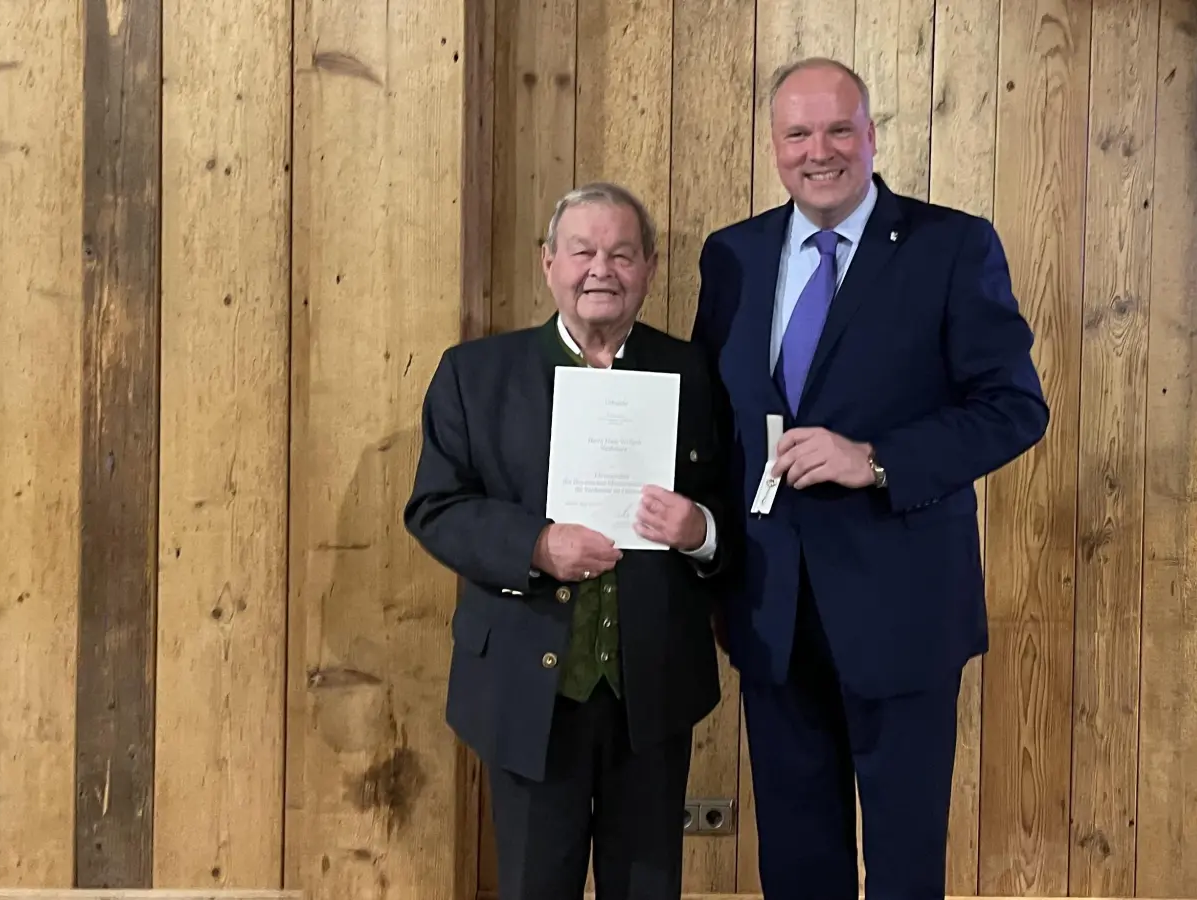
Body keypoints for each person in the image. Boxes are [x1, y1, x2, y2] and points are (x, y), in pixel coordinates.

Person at [688, 57, 1049, 899]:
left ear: (872, 135)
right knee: (796, 856)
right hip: (771, 608)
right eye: (798, 133)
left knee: (903, 860)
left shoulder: (952, 246)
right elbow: (714, 423)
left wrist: (876, 460)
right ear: (774, 146)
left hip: (904, 608)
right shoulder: (732, 255)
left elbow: (1013, 408)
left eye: (838, 129)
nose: (820, 150)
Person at [404, 182, 732, 900]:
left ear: (648, 267)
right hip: (524, 691)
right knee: (533, 886)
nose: (600, 270)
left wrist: (699, 531)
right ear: (548, 262)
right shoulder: (475, 374)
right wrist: (537, 546)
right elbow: (436, 508)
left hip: (654, 692)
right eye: (582, 251)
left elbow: (735, 513)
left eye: (621, 254)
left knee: (648, 888)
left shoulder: (695, 373)